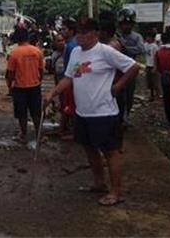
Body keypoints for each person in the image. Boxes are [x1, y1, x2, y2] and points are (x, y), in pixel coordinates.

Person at [43, 18, 140, 207]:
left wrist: (118, 86)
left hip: (103, 112)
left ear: (95, 34)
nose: (80, 36)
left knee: (110, 152)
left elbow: (133, 66)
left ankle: (116, 191)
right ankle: (99, 183)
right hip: (83, 112)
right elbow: (69, 78)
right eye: (78, 32)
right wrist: (52, 92)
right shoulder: (77, 52)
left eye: (84, 32)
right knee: (89, 149)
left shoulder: (105, 52)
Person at [6, 27, 44, 143]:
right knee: (36, 112)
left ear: (17, 38)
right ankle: (39, 135)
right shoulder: (37, 51)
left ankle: (24, 136)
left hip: (20, 88)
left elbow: (11, 73)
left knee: (21, 113)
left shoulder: (14, 53)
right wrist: (38, 80)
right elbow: (41, 70)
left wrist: (10, 86)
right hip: (35, 86)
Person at [117, 8, 144, 124]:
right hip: (117, 70)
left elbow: (140, 49)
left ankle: (126, 116)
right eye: (124, 24)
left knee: (129, 94)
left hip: (131, 71)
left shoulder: (137, 37)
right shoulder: (117, 36)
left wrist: (126, 48)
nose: (126, 27)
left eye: (129, 24)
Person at [144, 33, 159, 101]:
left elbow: (156, 57)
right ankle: (151, 95)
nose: (147, 38)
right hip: (148, 64)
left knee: (154, 81)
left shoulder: (154, 46)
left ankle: (157, 94)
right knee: (149, 81)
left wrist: (155, 67)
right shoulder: (145, 45)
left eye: (148, 37)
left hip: (153, 65)